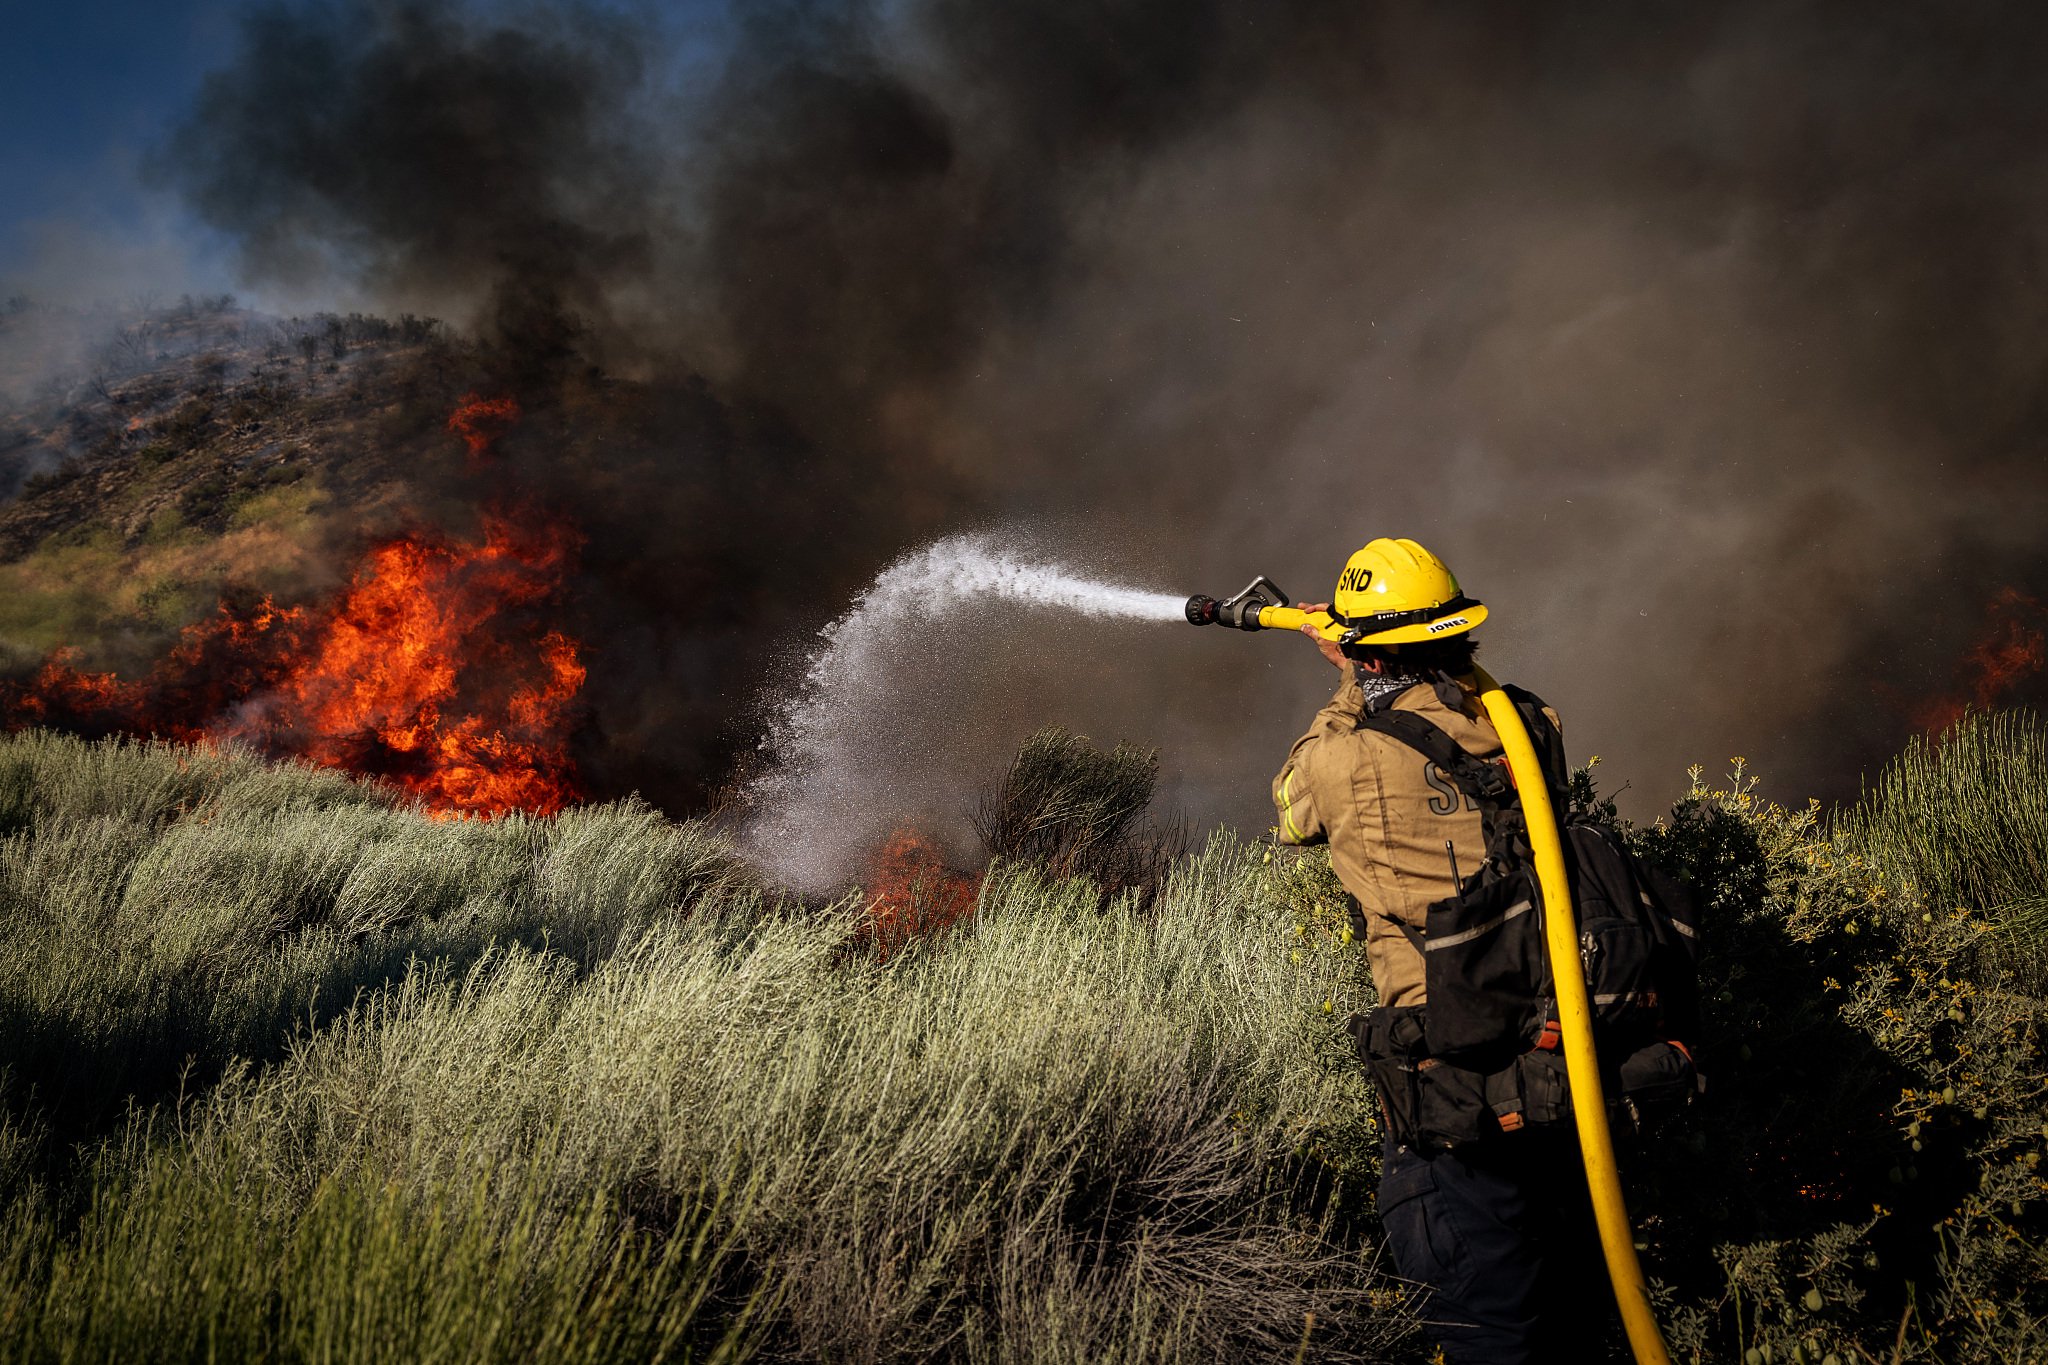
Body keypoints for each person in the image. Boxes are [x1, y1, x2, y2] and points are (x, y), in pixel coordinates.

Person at [1269, 536, 1612, 1364]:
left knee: (1489, 1338)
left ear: (1368, 652)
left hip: (1452, 1096)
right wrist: (1373, 659)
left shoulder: (1346, 755)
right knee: (1575, 1328)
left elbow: (1291, 808)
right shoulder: (1530, 723)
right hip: (1564, 1072)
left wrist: (1346, 680)